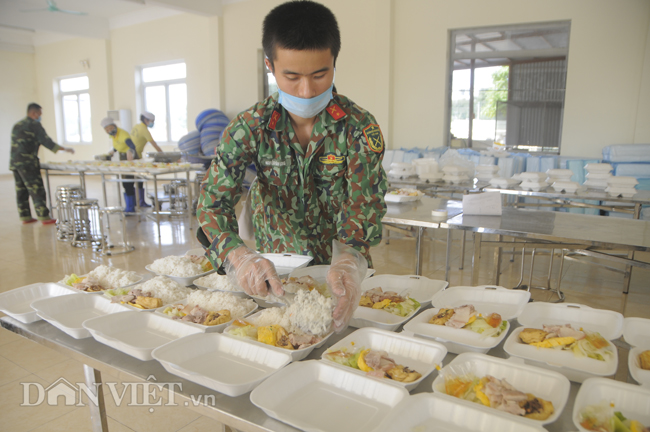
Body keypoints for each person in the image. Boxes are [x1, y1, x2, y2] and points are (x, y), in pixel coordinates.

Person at [196, 0, 387, 332]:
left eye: (319, 74)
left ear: (334, 62)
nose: (307, 90)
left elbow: (364, 203)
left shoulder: (357, 127)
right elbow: (213, 204)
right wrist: (239, 257)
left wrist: (351, 258)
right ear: (270, 66)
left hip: (340, 275)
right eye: (292, 76)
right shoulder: (249, 127)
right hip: (276, 272)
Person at [10, 103, 75, 224]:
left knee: (21, 190)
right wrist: (66, 149)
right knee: (36, 189)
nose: (40, 116)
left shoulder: (17, 125)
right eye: (39, 114)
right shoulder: (34, 125)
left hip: (15, 162)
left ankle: (25, 216)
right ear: (34, 113)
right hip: (28, 163)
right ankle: (44, 217)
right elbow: (47, 142)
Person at [100, 117, 137, 213]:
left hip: (129, 159)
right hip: (122, 160)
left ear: (114, 126)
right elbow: (118, 146)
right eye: (107, 130)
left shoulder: (123, 133)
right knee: (126, 183)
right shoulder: (114, 135)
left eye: (110, 128)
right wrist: (112, 152)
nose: (109, 131)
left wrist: (130, 151)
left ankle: (130, 208)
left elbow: (132, 145)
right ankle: (131, 205)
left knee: (127, 183)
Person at [130, 111, 162, 207]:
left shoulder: (137, 126)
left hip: (133, 154)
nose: (152, 123)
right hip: (134, 155)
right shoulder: (144, 129)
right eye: (151, 121)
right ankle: (140, 202)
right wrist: (163, 155)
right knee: (139, 179)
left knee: (134, 179)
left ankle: (137, 202)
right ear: (145, 120)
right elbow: (154, 144)